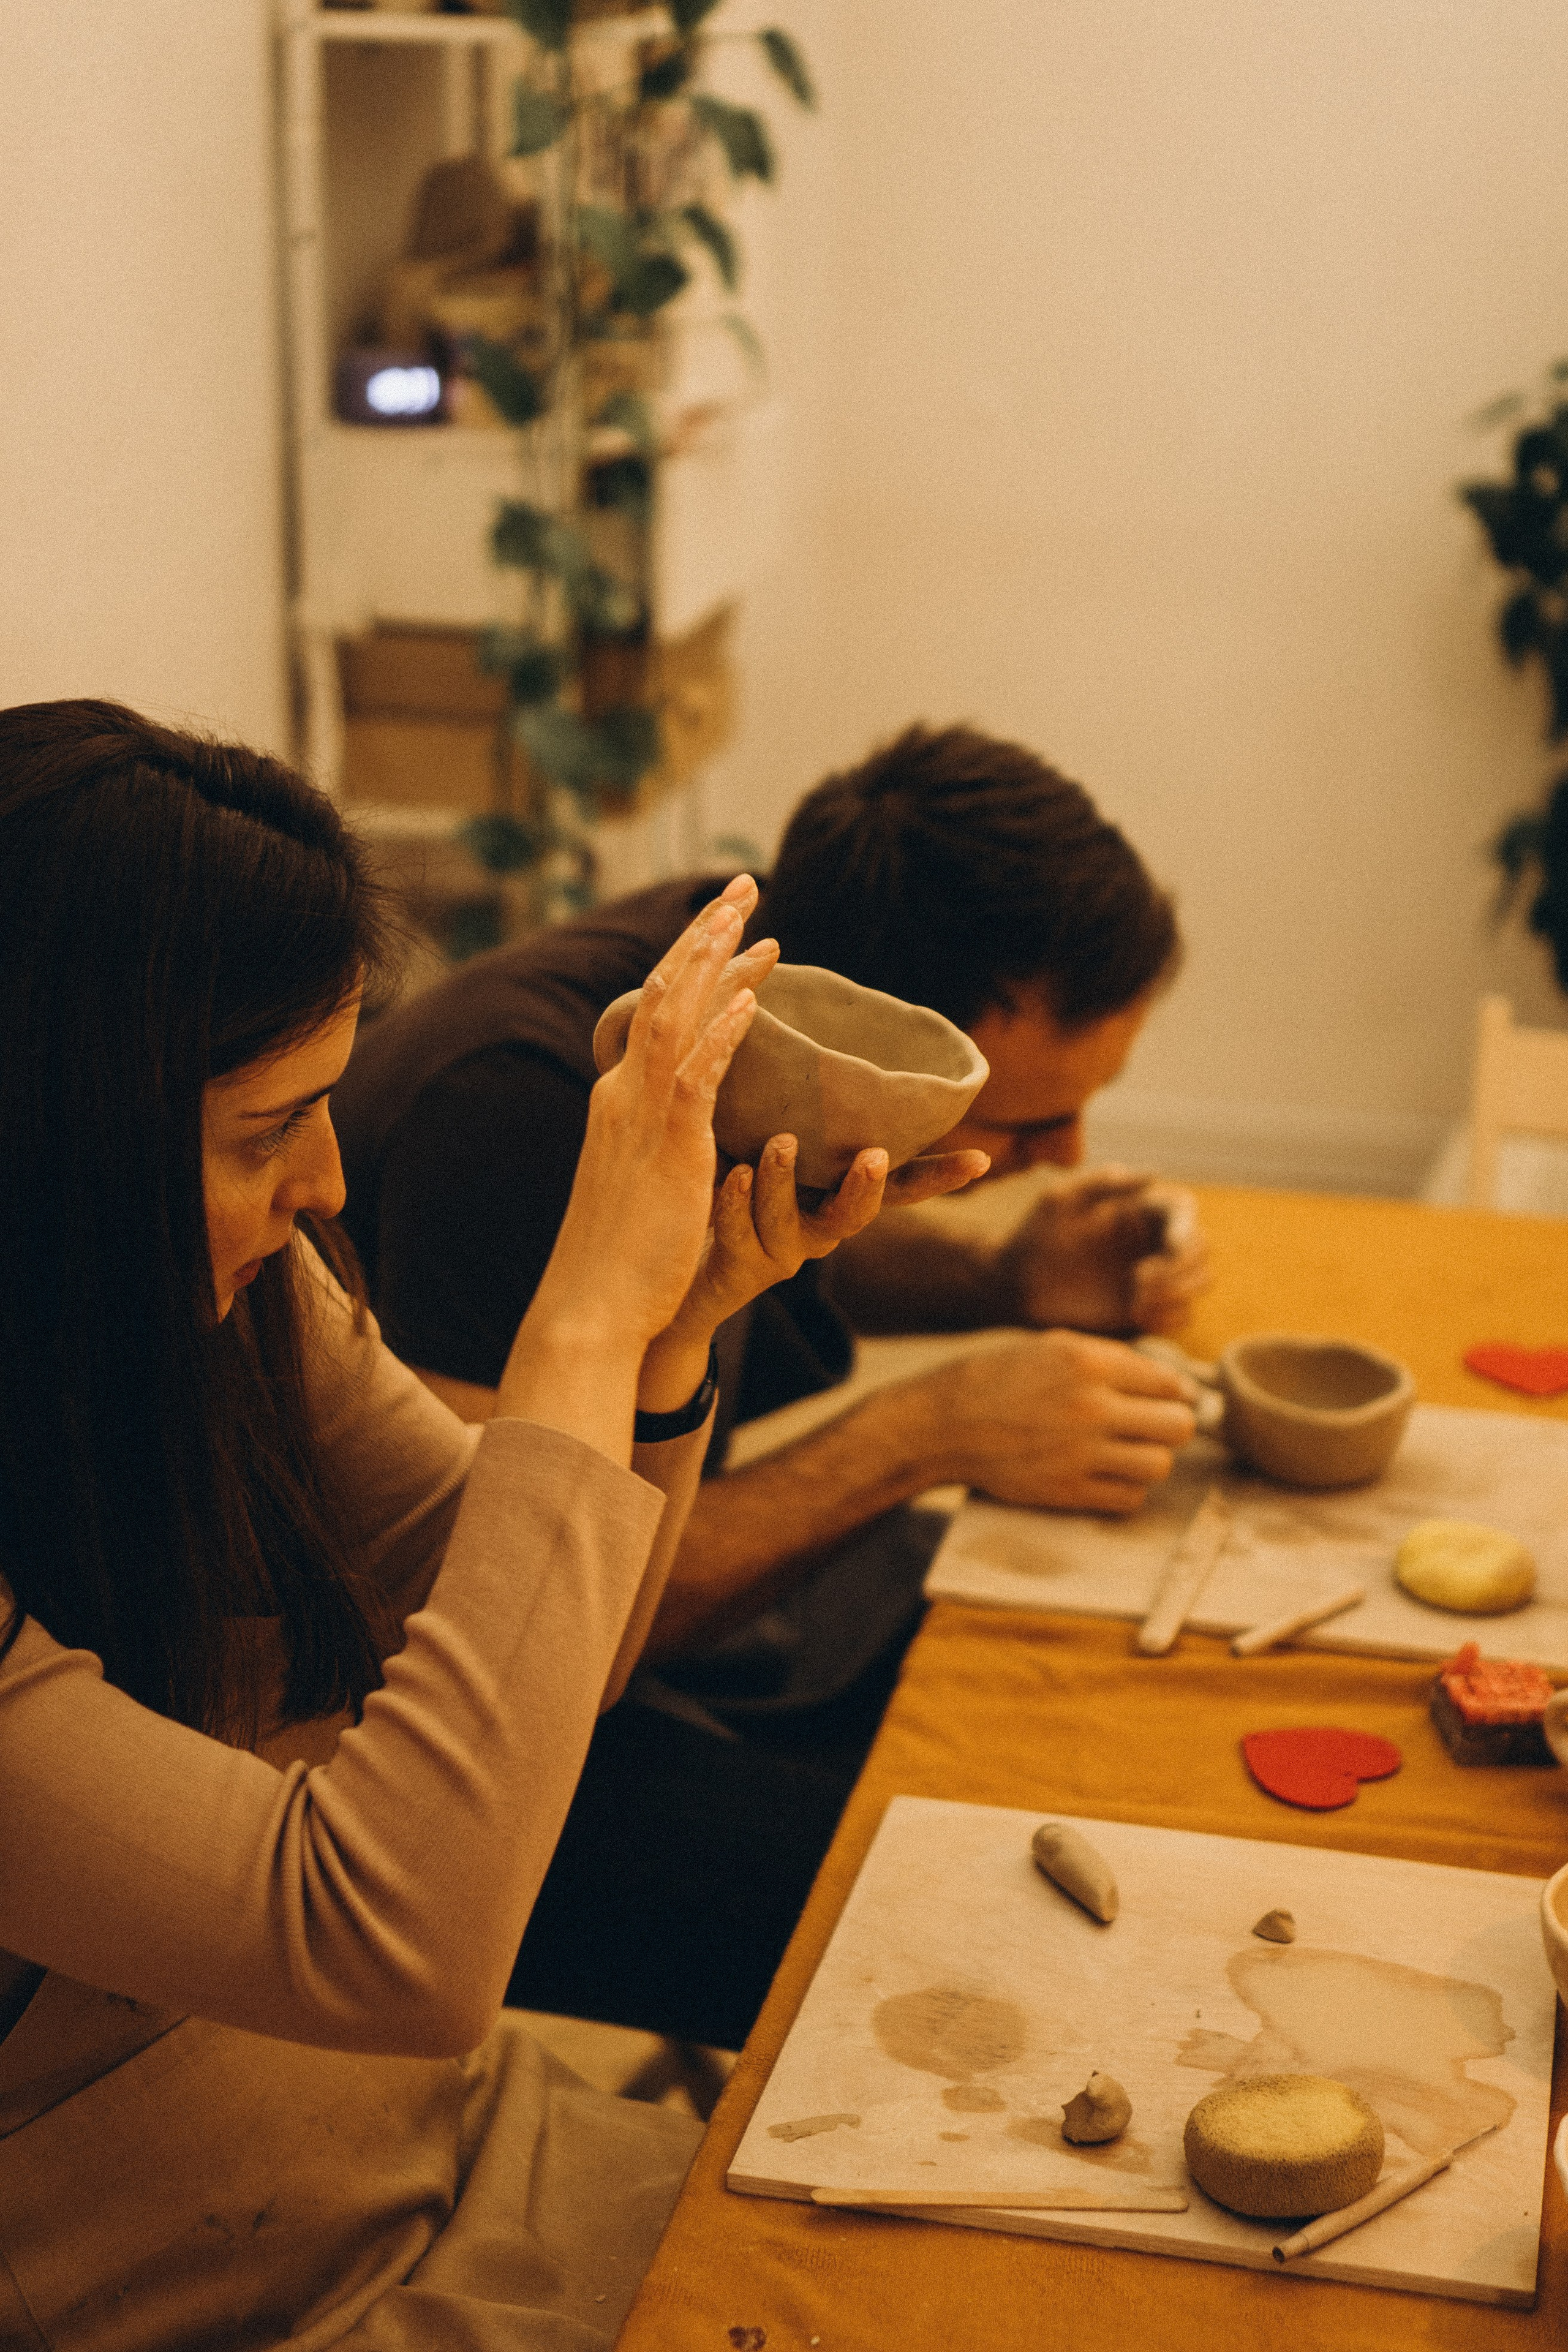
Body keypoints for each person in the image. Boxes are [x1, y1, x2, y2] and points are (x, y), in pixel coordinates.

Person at [0, 700, 971, 2350]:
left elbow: (546, 1655)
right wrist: (582, 1314)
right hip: (205, 2289)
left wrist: (674, 1337)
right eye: (259, 1133)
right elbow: (389, 1940)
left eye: (325, 1104)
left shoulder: (232, 1303)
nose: (324, 1180)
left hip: (423, 2138)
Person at [331, 725, 1208, 2051]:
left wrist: (1009, 1279)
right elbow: (531, 1613)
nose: (1062, 1154)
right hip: (445, 1748)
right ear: (883, 1057)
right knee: (963, 1919)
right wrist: (931, 1431)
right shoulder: (525, 1111)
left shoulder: (747, 980)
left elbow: (765, 1235)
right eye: (1023, 1124)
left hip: (620, 1618)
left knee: (1073, 1710)